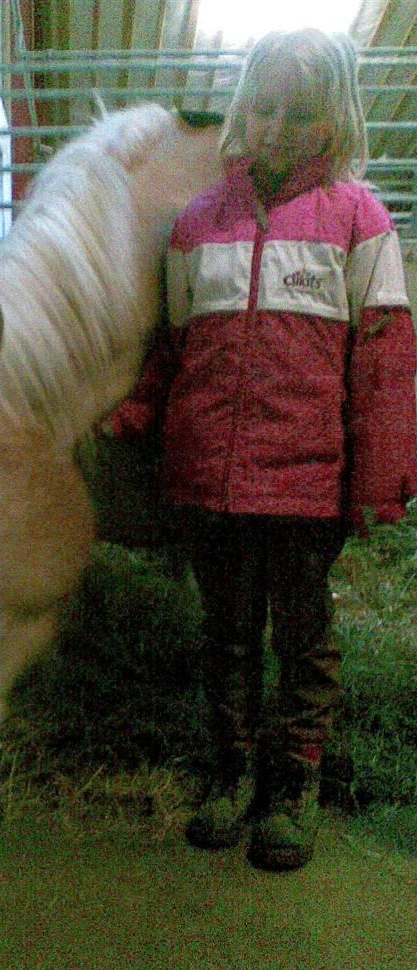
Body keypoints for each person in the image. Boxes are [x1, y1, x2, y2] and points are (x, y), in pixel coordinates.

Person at [106, 29, 416, 870]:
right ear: (246, 110)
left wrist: (381, 475)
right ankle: (232, 768)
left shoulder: (359, 218)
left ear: (334, 120)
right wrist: (138, 413)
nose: (278, 126)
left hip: (307, 483)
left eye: (301, 113)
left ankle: (295, 778)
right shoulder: (198, 223)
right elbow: (174, 348)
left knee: (304, 631)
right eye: (266, 108)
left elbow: (384, 354)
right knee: (227, 631)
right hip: (208, 473)